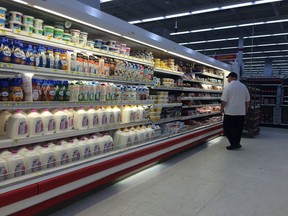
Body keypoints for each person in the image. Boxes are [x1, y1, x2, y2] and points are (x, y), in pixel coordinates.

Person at [220, 72, 250, 150]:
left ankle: (233, 143)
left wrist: (221, 108)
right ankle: (237, 143)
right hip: (241, 112)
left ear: (232, 77)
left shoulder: (228, 87)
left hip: (230, 112)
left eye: (228, 78)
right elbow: (247, 100)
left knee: (226, 128)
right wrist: (246, 109)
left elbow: (224, 100)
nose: (228, 79)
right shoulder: (244, 86)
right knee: (238, 129)